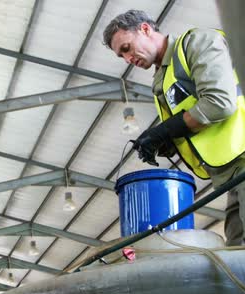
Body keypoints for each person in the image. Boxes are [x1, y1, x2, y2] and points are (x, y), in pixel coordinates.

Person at [102, 9, 245, 246]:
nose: (128, 60)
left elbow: (219, 103)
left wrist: (165, 131)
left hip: (242, 155)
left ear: (145, 29)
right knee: (236, 252)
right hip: (226, 173)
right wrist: (165, 141)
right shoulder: (162, 79)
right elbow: (189, 122)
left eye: (126, 48)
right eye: (122, 57)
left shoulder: (196, 43)